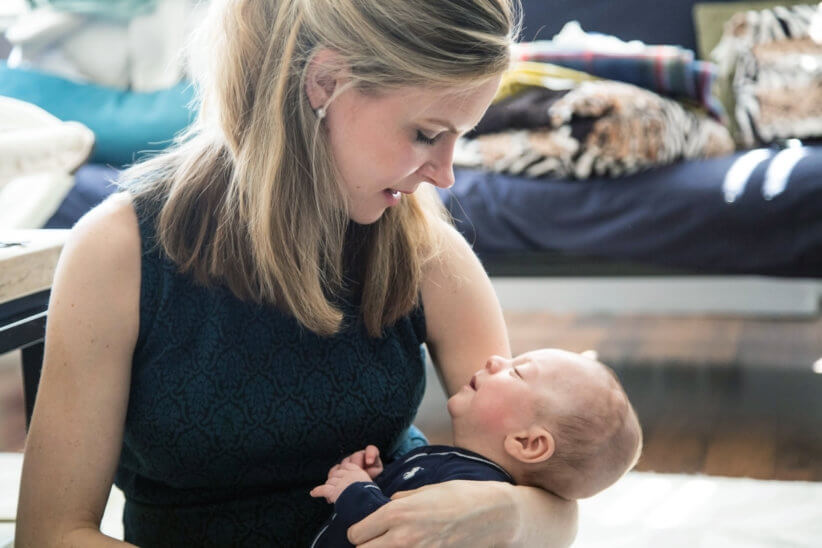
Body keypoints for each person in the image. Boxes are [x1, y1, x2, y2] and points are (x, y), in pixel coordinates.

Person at [15, 0, 580, 546]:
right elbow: (49, 535)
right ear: (325, 82)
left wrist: (503, 514)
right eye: (427, 134)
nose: (447, 175)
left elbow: (551, 507)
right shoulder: (119, 250)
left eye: (462, 137)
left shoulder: (426, 251)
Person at [309, 348, 643, 547]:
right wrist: (382, 477)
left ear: (527, 443)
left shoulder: (469, 490)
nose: (496, 358)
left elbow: (393, 534)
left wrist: (356, 491)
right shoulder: (460, 467)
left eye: (517, 372)